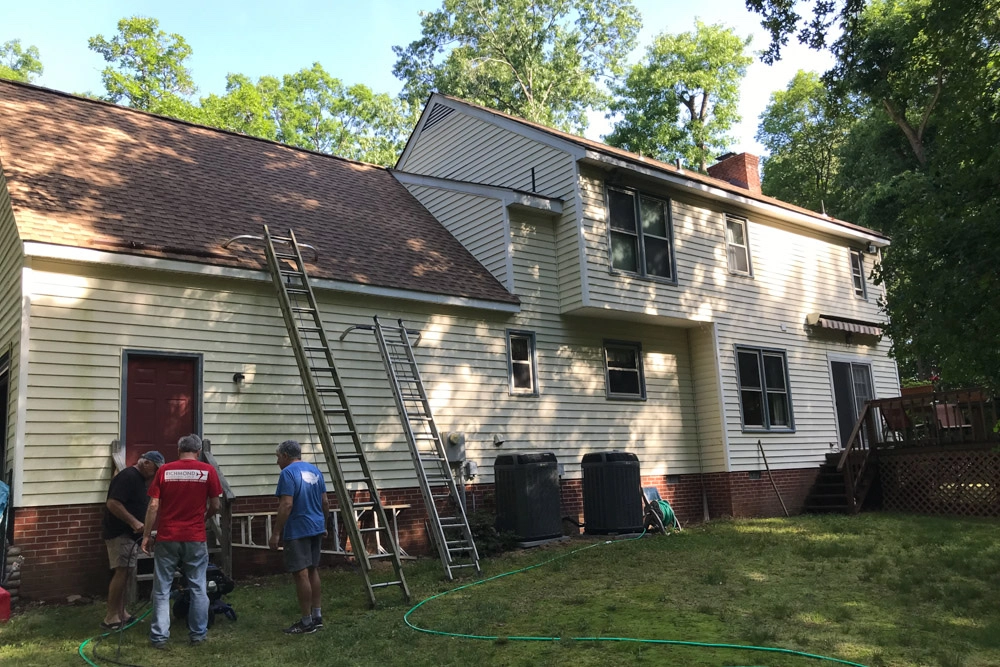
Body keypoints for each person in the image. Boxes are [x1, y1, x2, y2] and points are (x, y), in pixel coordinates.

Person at [141, 434, 222, 649]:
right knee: (197, 586)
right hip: (195, 536)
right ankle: (198, 634)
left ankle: (159, 637)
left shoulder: (165, 471)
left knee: (162, 589)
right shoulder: (208, 471)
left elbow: (153, 506)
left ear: (178, 451)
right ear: (197, 452)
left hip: (168, 537)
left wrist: (147, 535)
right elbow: (216, 505)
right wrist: (203, 518)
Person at [268, 440, 330, 635]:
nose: (277, 461)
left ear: (286, 455)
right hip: (316, 526)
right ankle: (317, 616)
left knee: (301, 573)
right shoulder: (315, 471)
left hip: (298, 529)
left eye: (278, 457)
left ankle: (306, 622)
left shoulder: (288, 473)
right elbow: (325, 502)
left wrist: (276, 533)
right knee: (313, 570)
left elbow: (286, 505)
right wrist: (324, 525)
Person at [101, 451, 164, 630]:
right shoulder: (128, 476)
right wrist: (133, 521)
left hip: (129, 534)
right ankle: (111, 616)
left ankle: (122, 613)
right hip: (119, 533)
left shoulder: (139, 480)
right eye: (155, 468)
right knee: (121, 572)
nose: (156, 473)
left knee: (126, 572)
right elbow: (113, 503)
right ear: (146, 463)